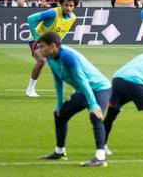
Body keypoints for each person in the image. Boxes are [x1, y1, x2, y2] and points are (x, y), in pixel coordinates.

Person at [36, 32, 112, 167]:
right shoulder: (51, 59)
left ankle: (100, 157)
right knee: (60, 115)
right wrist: (58, 105)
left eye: (42, 47)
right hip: (83, 90)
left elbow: (82, 80)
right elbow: (58, 81)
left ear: (53, 46)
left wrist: (93, 104)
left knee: (95, 115)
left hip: (100, 88)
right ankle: (59, 151)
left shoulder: (68, 57)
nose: (39, 50)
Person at [25, 0, 79, 97]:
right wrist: (36, 37)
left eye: (71, 5)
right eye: (66, 5)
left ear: (74, 6)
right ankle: (30, 90)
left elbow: (63, 32)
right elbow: (31, 19)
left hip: (53, 43)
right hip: (38, 41)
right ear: (60, 4)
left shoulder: (73, 18)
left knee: (67, 61)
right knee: (41, 60)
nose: (68, 8)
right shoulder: (52, 13)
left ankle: (77, 87)